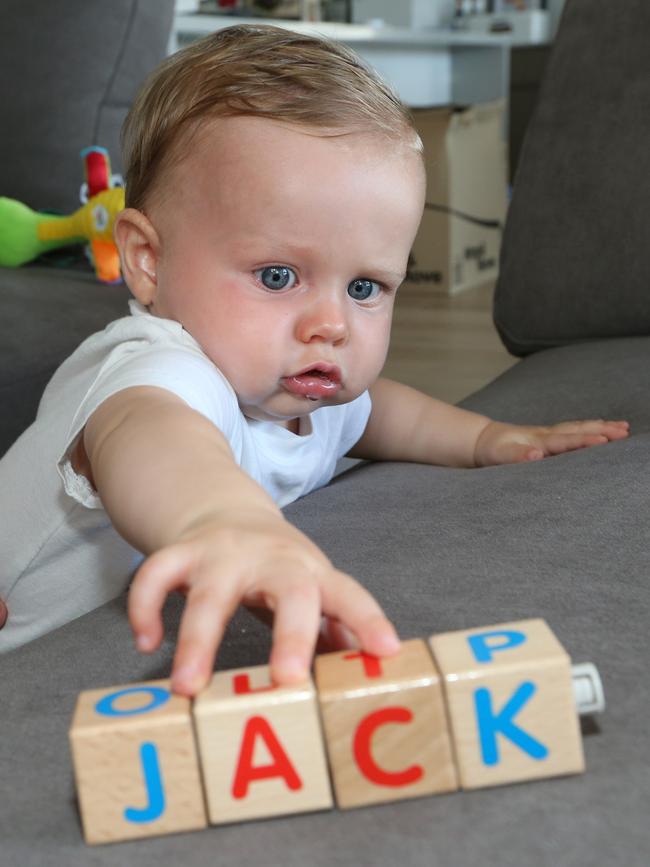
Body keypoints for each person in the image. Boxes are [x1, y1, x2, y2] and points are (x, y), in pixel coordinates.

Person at [0, 24, 628, 695]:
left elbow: (380, 412)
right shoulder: (159, 370)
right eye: (276, 276)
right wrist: (221, 521)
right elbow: (152, 438)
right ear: (149, 261)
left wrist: (485, 438)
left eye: (364, 288)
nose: (331, 325)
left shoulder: (299, 378)